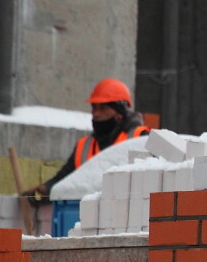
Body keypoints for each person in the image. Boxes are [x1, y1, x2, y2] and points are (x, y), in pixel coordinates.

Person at [23, 78, 151, 203]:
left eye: (103, 108)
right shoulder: (84, 145)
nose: (96, 114)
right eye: (94, 108)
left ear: (119, 113)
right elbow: (66, 177)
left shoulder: (140, 137)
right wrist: (46, 188)